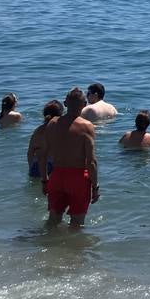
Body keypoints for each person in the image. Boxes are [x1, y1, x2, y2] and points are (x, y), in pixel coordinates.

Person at [34, 87, 100, 228]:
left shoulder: (52, 124)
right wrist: (95, 187)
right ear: (84, 105)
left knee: (53, 220)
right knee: (76, 225)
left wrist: (45, 180)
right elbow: (91, 161)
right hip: (78, 179)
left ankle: (47, 246)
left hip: (57, 176)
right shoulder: (86, 126)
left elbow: (42, 155)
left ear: (65, 103)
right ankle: (71, 250)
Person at [27, 99, 64, 178]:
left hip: (37, 165)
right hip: (53, 166)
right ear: (60, 115)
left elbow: (30, 152)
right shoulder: (62, 130)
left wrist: (31, 167)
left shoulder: (38, 131)